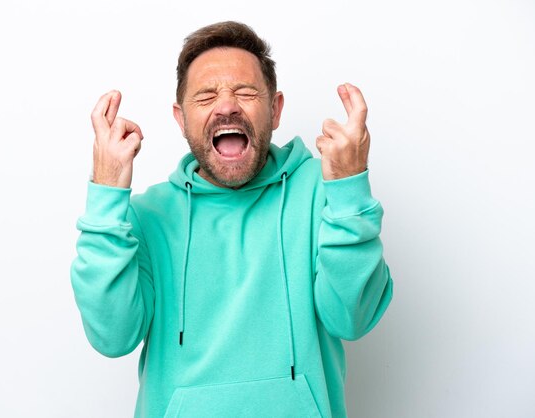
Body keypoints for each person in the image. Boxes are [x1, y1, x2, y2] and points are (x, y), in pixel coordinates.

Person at [71, 21, 393, 418]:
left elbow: (353, 318)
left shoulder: (321, 189)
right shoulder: (146, 215)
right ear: (181, 118)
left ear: (274, 110)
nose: (227, 106)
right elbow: (112, 336)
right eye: (206, 96)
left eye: (245, 92)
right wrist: (106, 194)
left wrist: (348, 190)